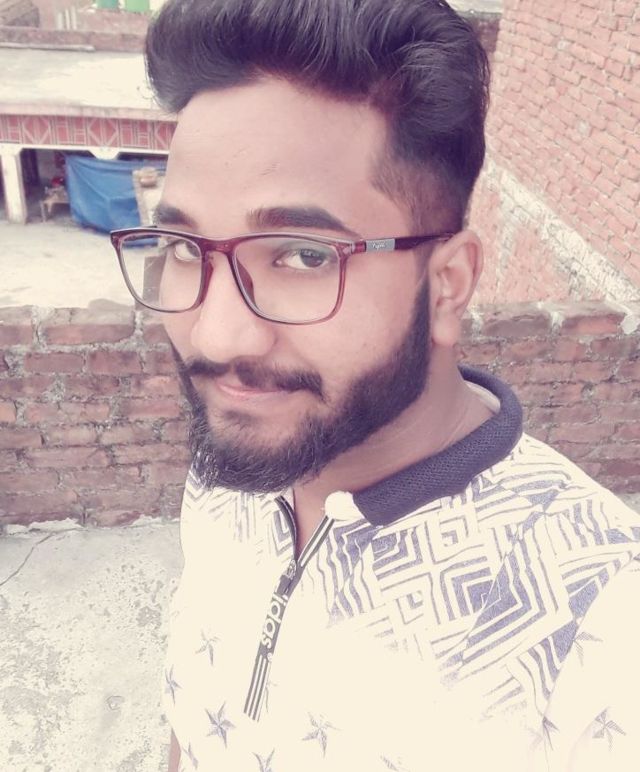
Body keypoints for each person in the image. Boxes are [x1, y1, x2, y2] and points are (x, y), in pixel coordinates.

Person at [110, 1, 640, 769]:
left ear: (448, 283)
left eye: (303, 255)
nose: (217, 339)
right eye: (186, 247)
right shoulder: (238, 453)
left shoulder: (603, 629)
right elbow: (193, 700)